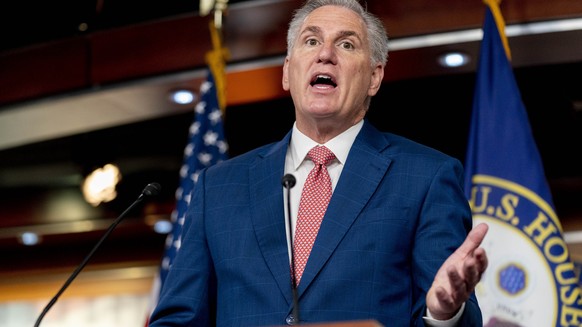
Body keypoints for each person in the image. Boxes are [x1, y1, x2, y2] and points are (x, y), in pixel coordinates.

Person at [148, 0, 489, 326]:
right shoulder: (218, 186)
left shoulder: (427, 177)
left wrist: (443, 314)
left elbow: (458, 314)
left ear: (374, 77)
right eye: (311, 41)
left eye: (347, 45)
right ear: (286, 72)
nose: (325, 55)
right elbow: (179, 319)